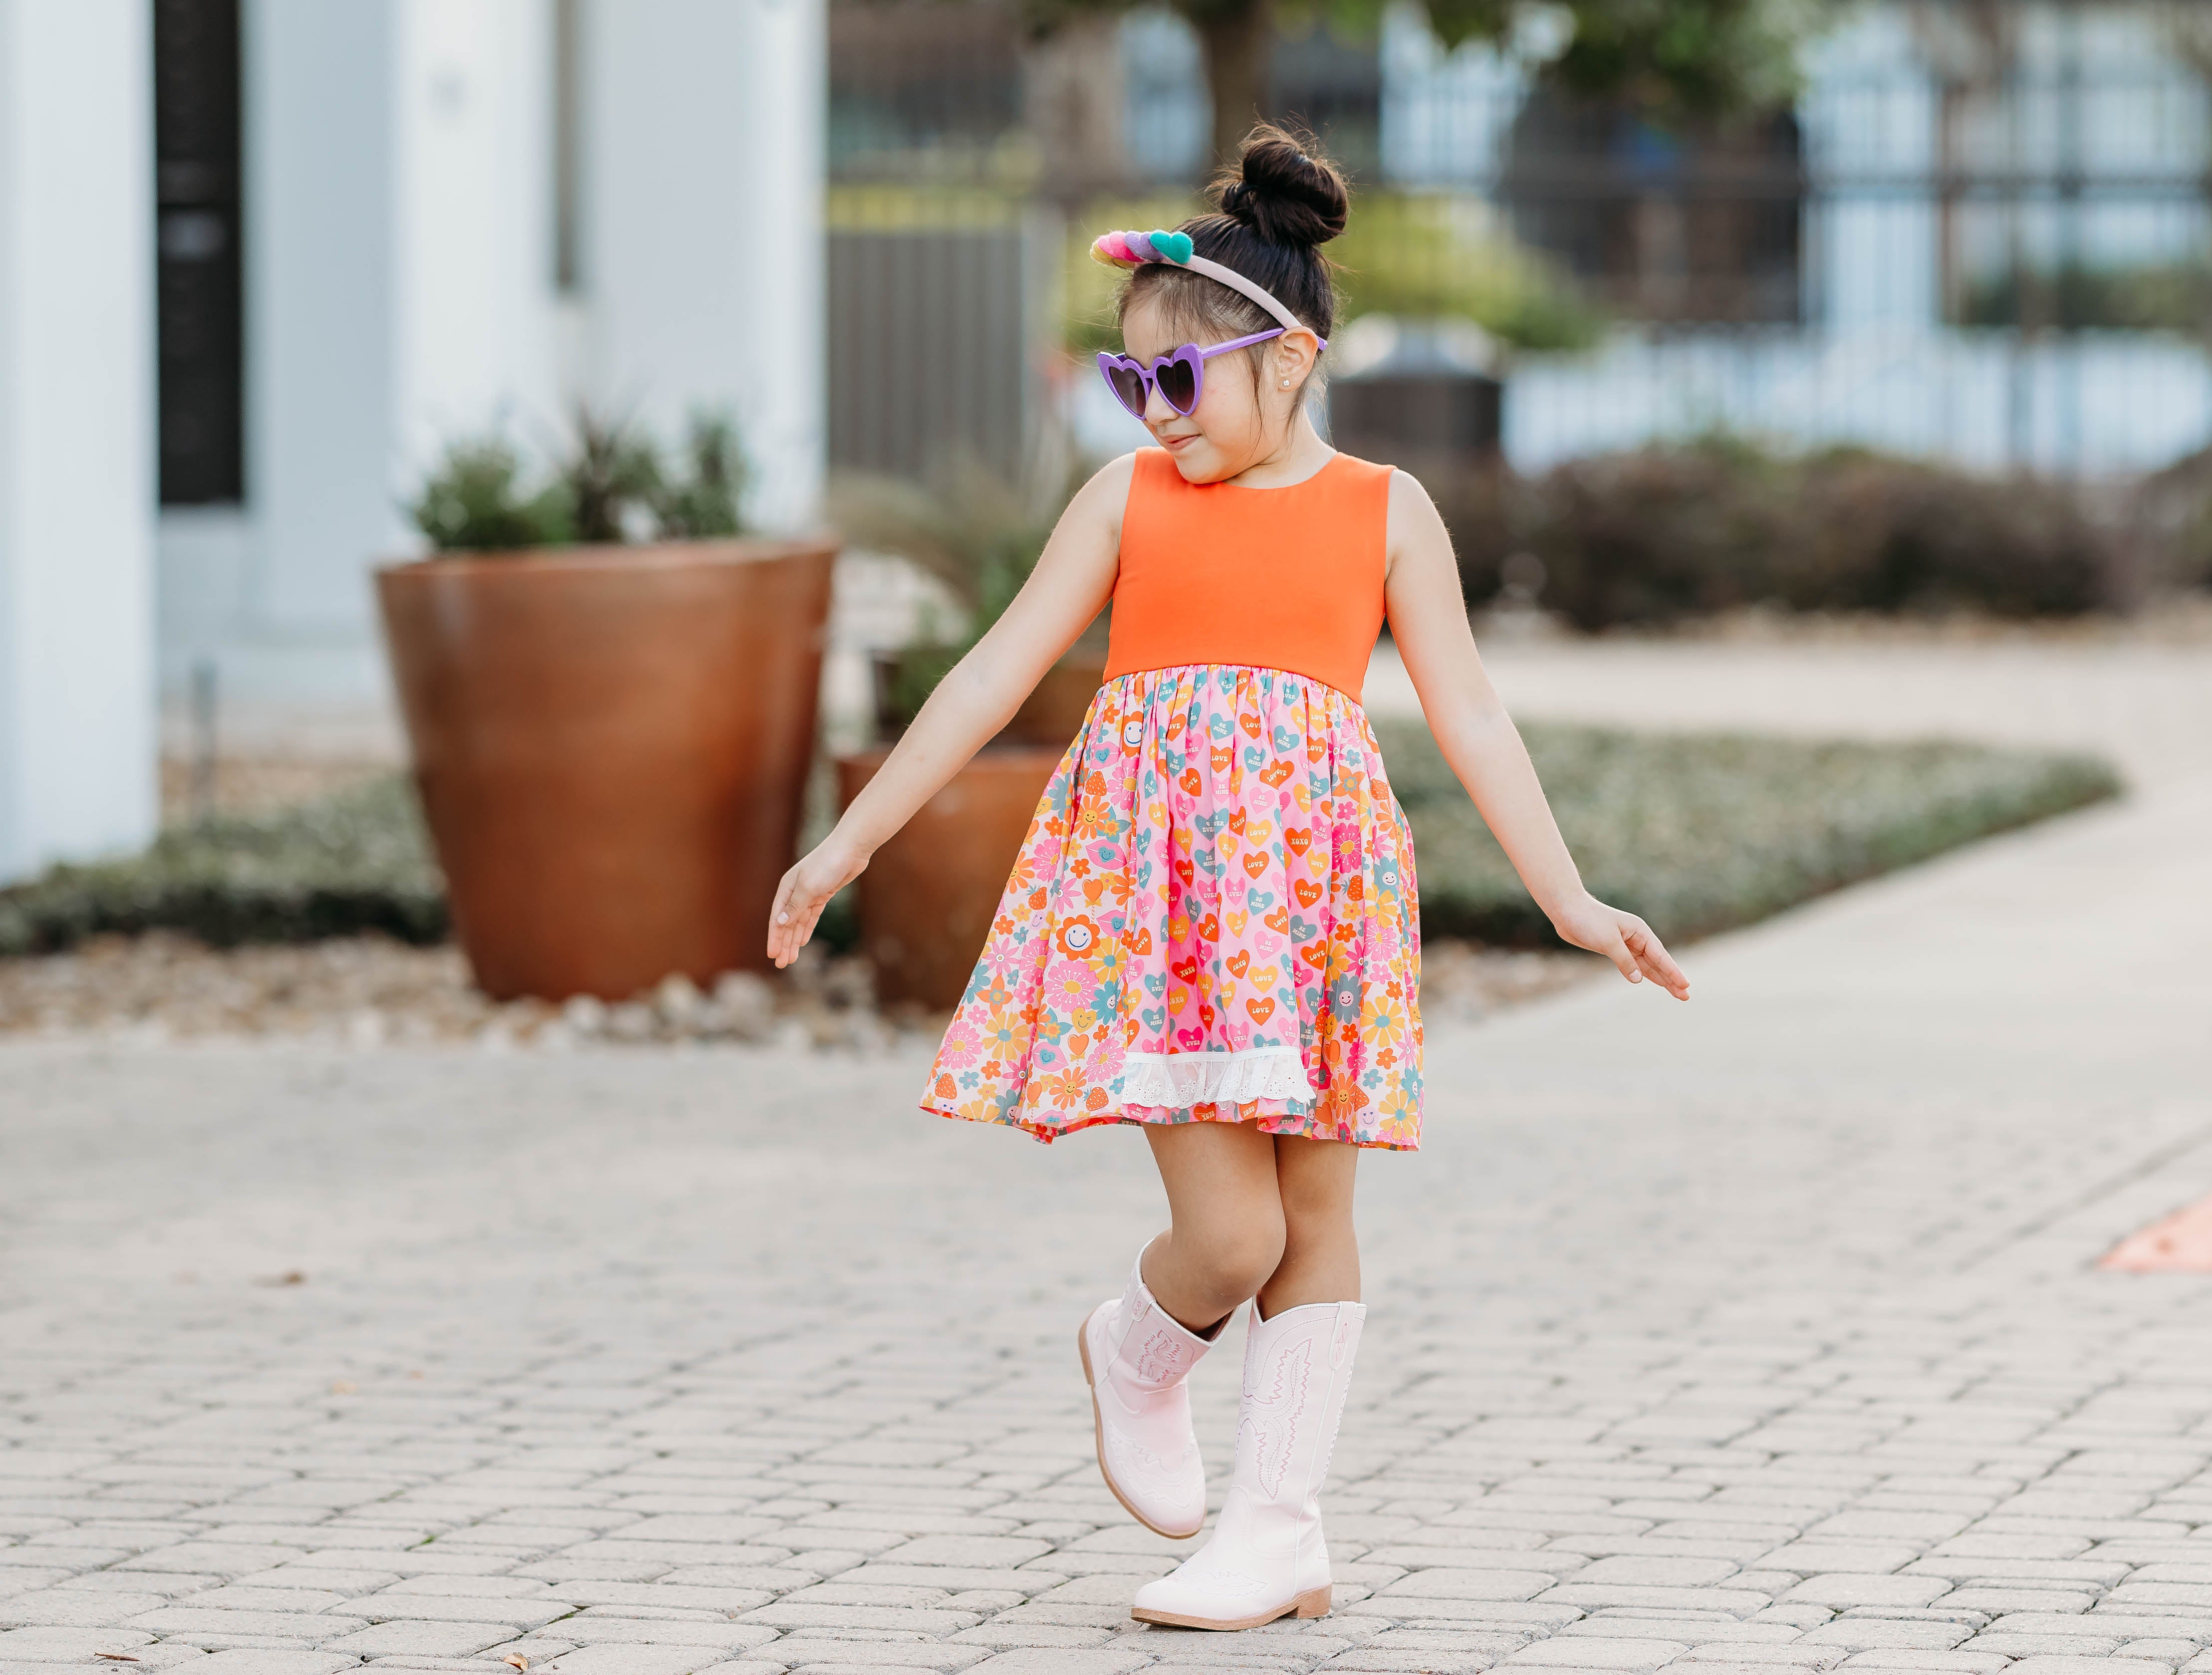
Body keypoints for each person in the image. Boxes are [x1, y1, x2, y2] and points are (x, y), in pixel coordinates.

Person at [767, 122, 1690, 1633]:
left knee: (1315, 1217)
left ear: (1289, 363)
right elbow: (997, 670)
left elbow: (1467, 711)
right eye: (1129, 384)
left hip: (1314, 896)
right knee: (1231, 1238)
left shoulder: (1387, 512)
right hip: (1168, 903)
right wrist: (848, 839)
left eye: (1175, 381)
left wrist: (1570, 901)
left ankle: (1278, 1529)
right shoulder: (1124, 506)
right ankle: (1138, 1347)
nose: (1151, 414)